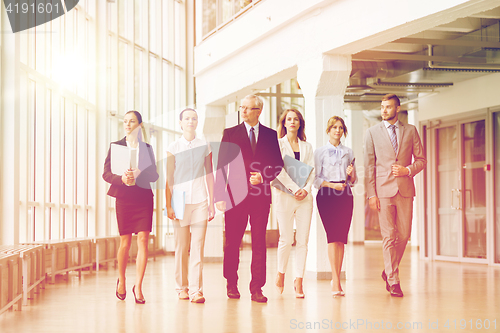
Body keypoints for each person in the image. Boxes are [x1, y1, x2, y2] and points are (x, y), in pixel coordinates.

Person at [215, 94, 283, 303]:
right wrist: (219, 195)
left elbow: (277, 165)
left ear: (258, 111)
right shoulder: (230, 133)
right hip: (234, 197)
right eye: (241, 108)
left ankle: (257, 288)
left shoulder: (271, 136)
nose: (243, 111)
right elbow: (221, 165)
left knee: (259, 242)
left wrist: (263, 175)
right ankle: (231, 283)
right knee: (232, 242)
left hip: (260, 197)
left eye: (247, 108)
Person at [364, 94, 426, 297]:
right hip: (382, 191)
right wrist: (371, 194)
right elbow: (369, 165)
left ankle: (388, 268)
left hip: (405, 189)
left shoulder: (411, 130)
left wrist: (407, 170)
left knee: (405, 234)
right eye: (382, 107)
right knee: (389, 235)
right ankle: (393, 280)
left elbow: (421, 160)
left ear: (397, 109)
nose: (384, 110)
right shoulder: (372, 132)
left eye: (388, 107)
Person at [102, 110, 159, 304]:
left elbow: (154, 175)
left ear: (139, 125)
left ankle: (139, 286)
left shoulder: (147, 148)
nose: (127, 124)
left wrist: (140, 173)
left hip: (143, 198)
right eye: (125, 121)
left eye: (131, 121)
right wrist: (122, 179)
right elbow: (106, 174)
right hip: (124, 199)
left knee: (143, 240)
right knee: (125, 242)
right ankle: (122, 279)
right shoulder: (116, 146)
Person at [165, 108, 215, 304]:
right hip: (179, 200)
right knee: (182, 246)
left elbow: (210, 174)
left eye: (194, 118)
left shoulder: (205, 145)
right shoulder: (173, 147)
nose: (191, 121)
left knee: (197, 246)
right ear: (180, 123)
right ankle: (182, 287)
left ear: (197, 122)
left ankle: (196, 291)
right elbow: (169, 178)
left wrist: (211, 202)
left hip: (201, 200)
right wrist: (168, 205)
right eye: (187, 118)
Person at [314, 116, 356, 297]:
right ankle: (336, 281)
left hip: (345, 195)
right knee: (332, 237)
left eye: (340, 128)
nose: (337, 130)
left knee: (341, 238)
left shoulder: (349, 152)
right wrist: (332, 186)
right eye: (334, 127)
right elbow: (316, 180)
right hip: (327, 195)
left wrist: (351, 174)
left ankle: (336, 278)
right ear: (328, 130)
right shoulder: (320, 152)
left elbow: (354, 181)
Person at [274, 109, 314, 298]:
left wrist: (305, 189)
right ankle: (281, 273)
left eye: (295, 119)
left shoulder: (307, 146)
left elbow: (313, 171)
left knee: (302, 241)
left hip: (304, 198)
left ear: (300, 123)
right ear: (284, 123)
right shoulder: (278, 145)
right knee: (286, 238)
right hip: (284, 197)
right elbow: (278, 170)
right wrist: (293, 189)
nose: (292, 122)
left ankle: (298, 281)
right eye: (289, 119)